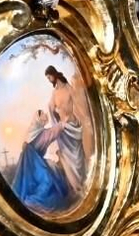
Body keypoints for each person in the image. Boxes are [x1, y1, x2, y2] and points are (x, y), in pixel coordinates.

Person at [11, 64, 93, 212]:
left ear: (54, 74)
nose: (49, 79)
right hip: (49, 144)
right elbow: (51, 116)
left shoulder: (68, 89)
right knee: (52, 175)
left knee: (62, 167)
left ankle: (77, 187)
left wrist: (71, 120)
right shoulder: (41, 132)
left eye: (49, 76)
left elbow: (77, 107)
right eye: (47, 78)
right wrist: (59, 120)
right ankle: (49, 198)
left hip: (69, 127)